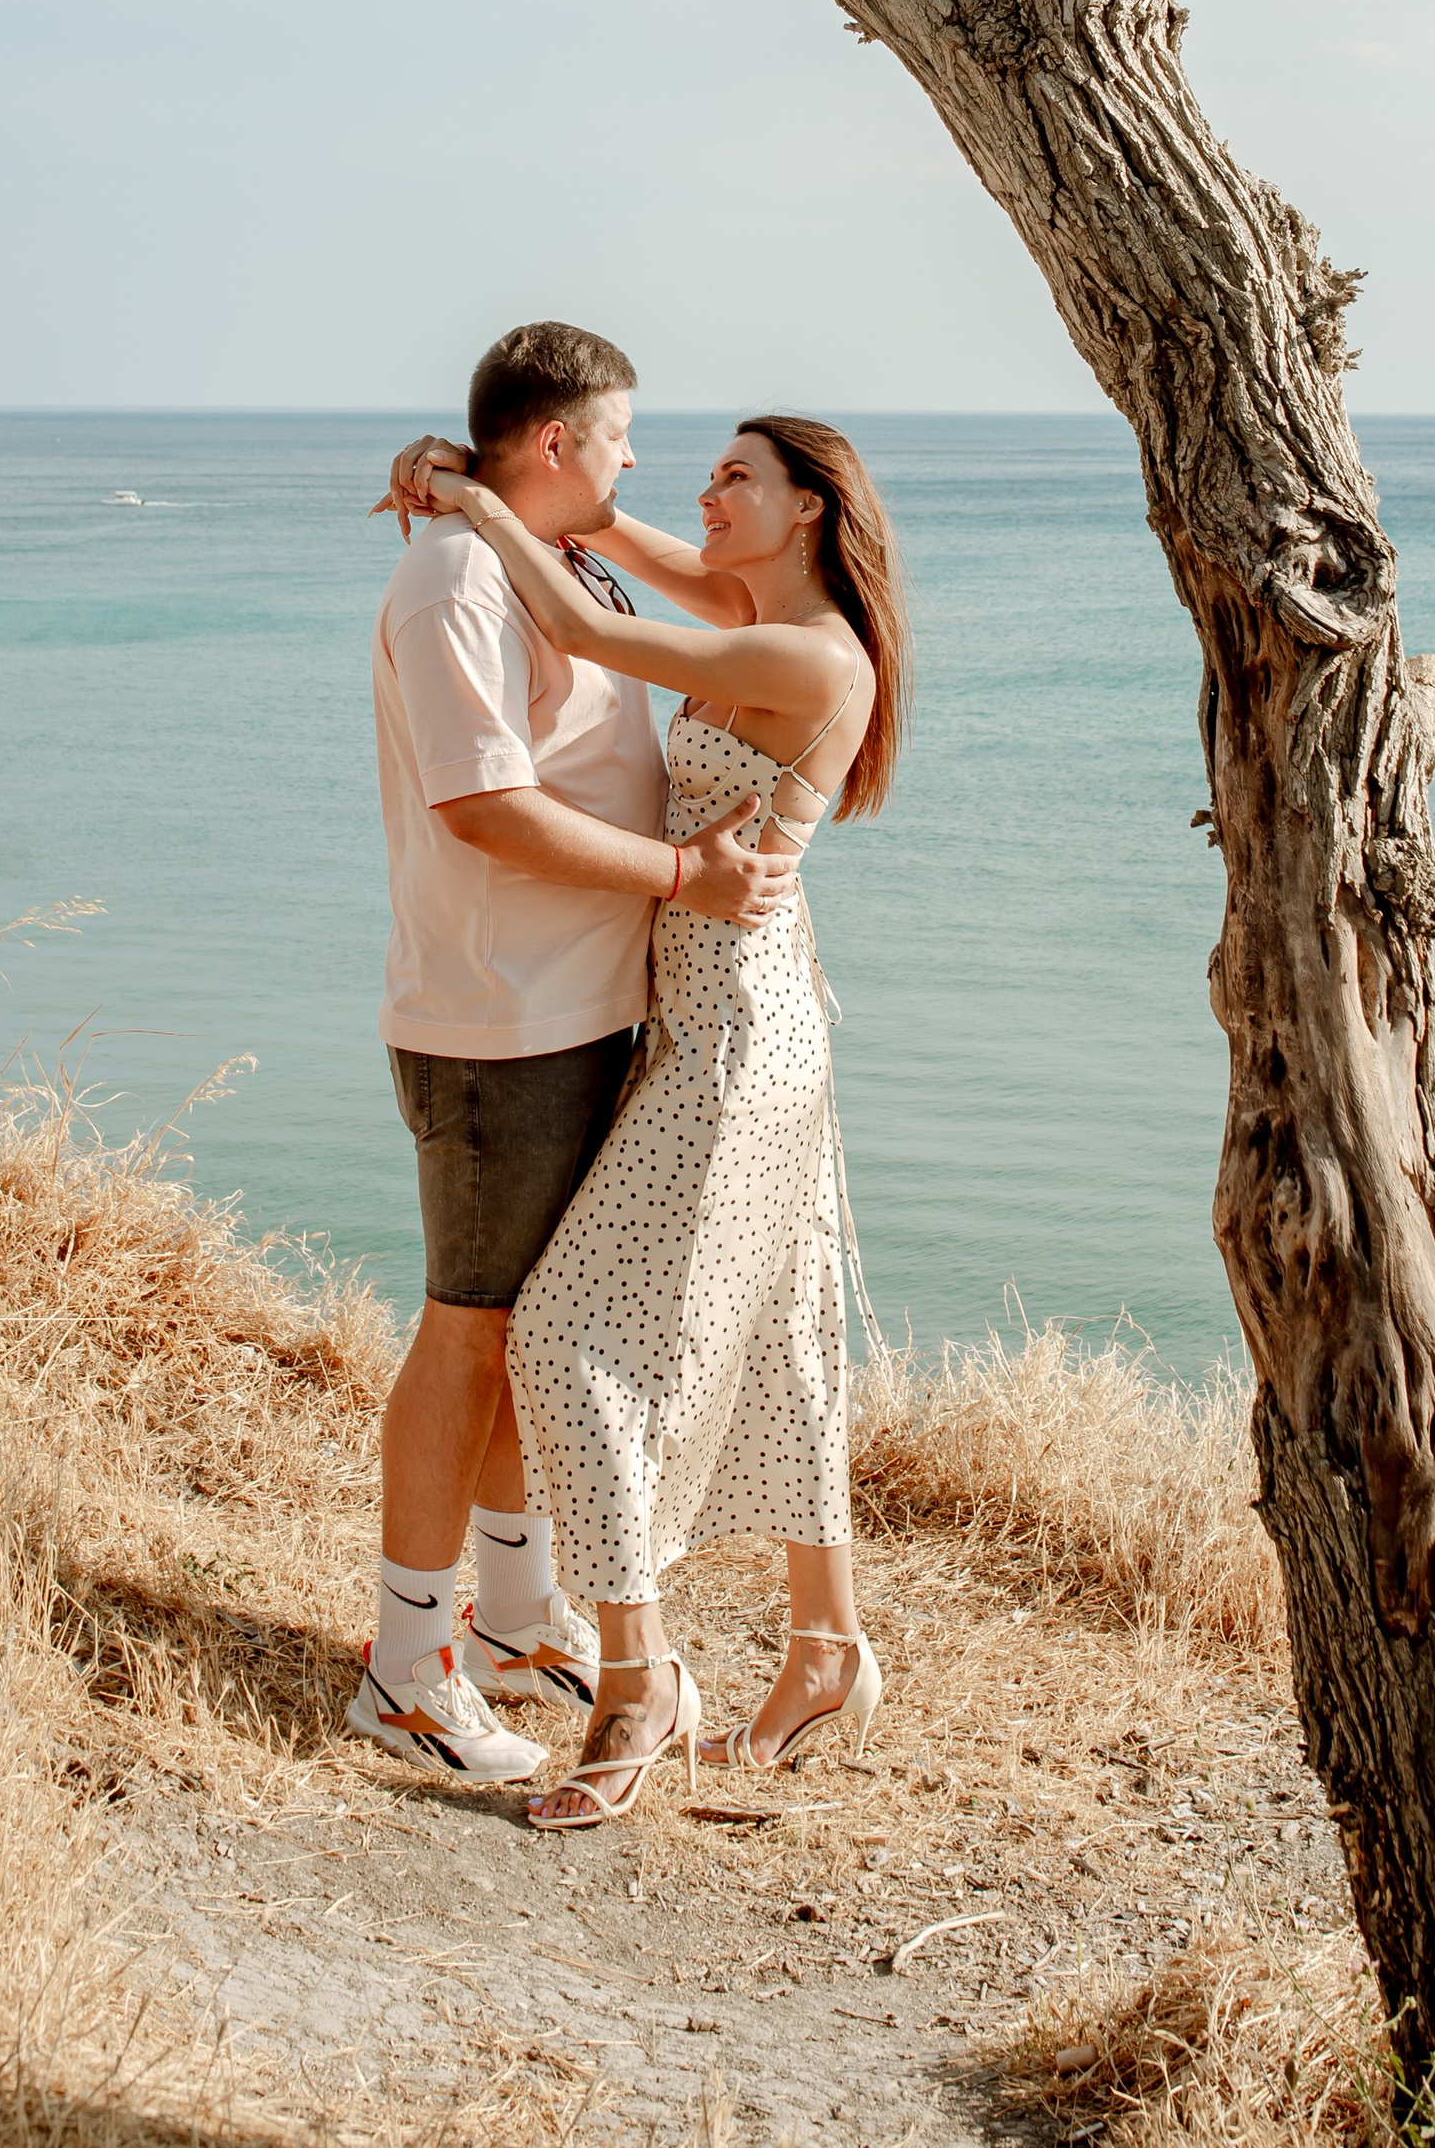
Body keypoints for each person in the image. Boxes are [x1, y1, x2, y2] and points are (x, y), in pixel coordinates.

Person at [398, 411, 910, 1832]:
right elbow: (605, 541)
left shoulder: (802, 655)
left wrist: (463, 503)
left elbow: (577, 614)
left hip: (735, 1045)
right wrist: (507, 474)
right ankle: (826, 1645)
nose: (705, 489)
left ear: (811, 510)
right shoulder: (754, 609)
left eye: (739, 475)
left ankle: (637, 1681)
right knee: (793, 1329)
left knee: (565, 1336)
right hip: (735, 1018)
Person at [355, 322, 794, 1786]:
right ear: (556, 443)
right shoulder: (453, 582)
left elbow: (704, 604)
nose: (633, 462)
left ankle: (517, 1618)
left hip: (585, 1009)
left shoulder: (557, 560)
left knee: (541, 1339)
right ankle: (409, 1668)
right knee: (471, 1333)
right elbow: (482, 807)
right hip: (501, 1022)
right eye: (620, 438)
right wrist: (683, 885)